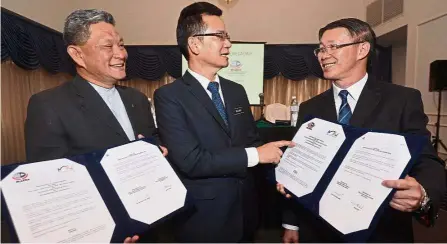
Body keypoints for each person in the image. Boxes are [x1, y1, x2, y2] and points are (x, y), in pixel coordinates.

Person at [278, 18, 446, 243]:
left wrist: (423, 194)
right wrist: (292, 223)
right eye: (321, 48)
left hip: (380, 230)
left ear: (362, 49)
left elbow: (427, 160)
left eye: (333, 46)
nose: (322, 55)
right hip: (318, 230)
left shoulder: (402, 100)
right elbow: (298, 166)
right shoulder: (310, 107)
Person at [154, 2, 294, 242]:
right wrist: (256, 155)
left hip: (246, 212)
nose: (228, 44)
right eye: (220, 36)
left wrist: (286, 176)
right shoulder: (169, 96)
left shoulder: (236, 90)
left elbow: (252, 141)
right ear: (194, 44)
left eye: (227, 36)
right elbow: (191, 161)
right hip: (204, 218)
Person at [24, 9, 166, 243]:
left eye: (121, 45)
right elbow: (50, 189)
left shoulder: (137, 99)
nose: (121, 54)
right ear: (77, 55)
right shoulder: (48, 105)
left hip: (149, 224)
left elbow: (151, 140)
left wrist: (156, 151)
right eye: (108, 47)